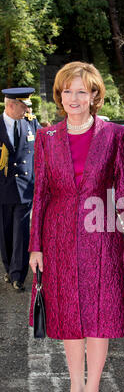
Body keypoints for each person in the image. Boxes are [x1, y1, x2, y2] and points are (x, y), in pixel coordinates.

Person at [29, 61, 124, 392]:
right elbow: (41, 195)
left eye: (80, 91)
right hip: (57, 235)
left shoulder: (115, 135)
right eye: (66, 91)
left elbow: (122, 185)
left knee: (96, 314)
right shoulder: (46, 138)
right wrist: (35, 246)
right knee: (67, 315)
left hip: (100, 233)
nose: (72, 98)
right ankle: (75, 388)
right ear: (59, 97)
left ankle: (92, 390)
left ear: (94, 95)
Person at [0, 87, 40, 291]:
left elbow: (42, 149)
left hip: (25, 188)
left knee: (22, 233)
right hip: (3, 189)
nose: (26, 110)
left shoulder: (31, 123)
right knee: (5, 233)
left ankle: (18, 274)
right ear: (10, 105)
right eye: (23, 106)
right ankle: (9, 268)